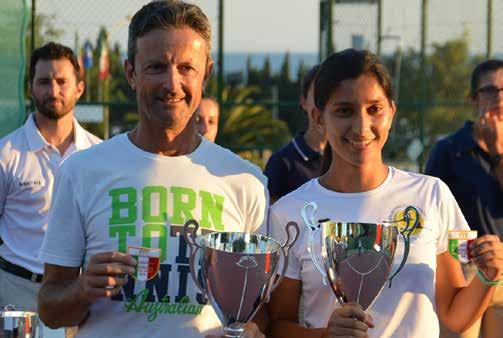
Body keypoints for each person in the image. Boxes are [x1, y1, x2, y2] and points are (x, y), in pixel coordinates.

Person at [37, 1, 268, 338]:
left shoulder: (245, 182)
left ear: (207, 73)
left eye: (187, 67)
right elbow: (50, 308)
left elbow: (264, 314)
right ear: (131, 73)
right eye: (157, 67)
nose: (172, 84)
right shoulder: (81, 172)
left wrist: (251, 331)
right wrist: (82, 288)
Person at [267, 49, 503, 338]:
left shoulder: (431, 195)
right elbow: (276, 326)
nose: (361, 126)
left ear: (391, 112)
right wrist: (326, 335)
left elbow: (454, 317)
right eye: (344, 111)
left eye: (374, 109)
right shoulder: (290, 212)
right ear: (318, 118)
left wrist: (487, 276)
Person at [0, 42, 101, 312]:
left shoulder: (100, 154)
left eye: (61, 81)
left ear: (79, 88)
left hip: (78, 294)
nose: (53, 90)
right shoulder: (6, 153)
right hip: (16, 289)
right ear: (31, 88)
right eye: (44, 81)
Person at [426, 59, 503, 338]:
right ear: (474, 99)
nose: (499, 98)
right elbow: (429, 213)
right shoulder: (448, 149)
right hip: (463, 273)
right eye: (490, 90)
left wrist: (497, 151)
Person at [264, 65, 327, 204]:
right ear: (303, 102)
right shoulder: (281, 163)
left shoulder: (349, 161)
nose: (325, 103)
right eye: (319, 94)